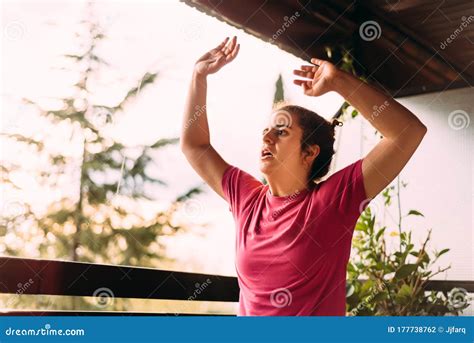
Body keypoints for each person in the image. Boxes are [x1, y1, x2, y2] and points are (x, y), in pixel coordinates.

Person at [180, 36, 427, 316]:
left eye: (281, 131)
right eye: (266, 130)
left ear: (309, 152)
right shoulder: (246, 198)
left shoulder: (333, 201)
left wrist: (339, 82)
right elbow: (195, 145)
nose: (268, 137)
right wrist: (198, 76)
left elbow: (407, 133)